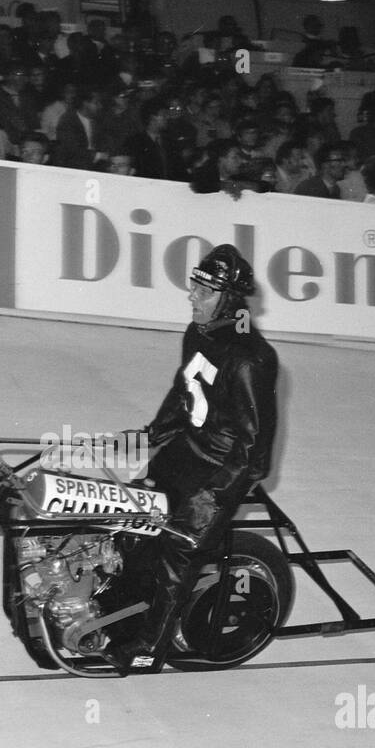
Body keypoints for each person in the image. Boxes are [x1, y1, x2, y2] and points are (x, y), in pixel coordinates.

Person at [111, 246, 279, 672]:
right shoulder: (199, 333)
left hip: (217, 475)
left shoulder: (250, 359)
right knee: (130, 528)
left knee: (175, 556)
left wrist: (210, 499)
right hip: (182, 457)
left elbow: (255, 455)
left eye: (204, 291)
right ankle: (119, 620)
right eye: (195, 287)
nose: (193, 297)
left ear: (229, 299)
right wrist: (152, 436)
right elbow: (182, 393)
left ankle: (150, 647)